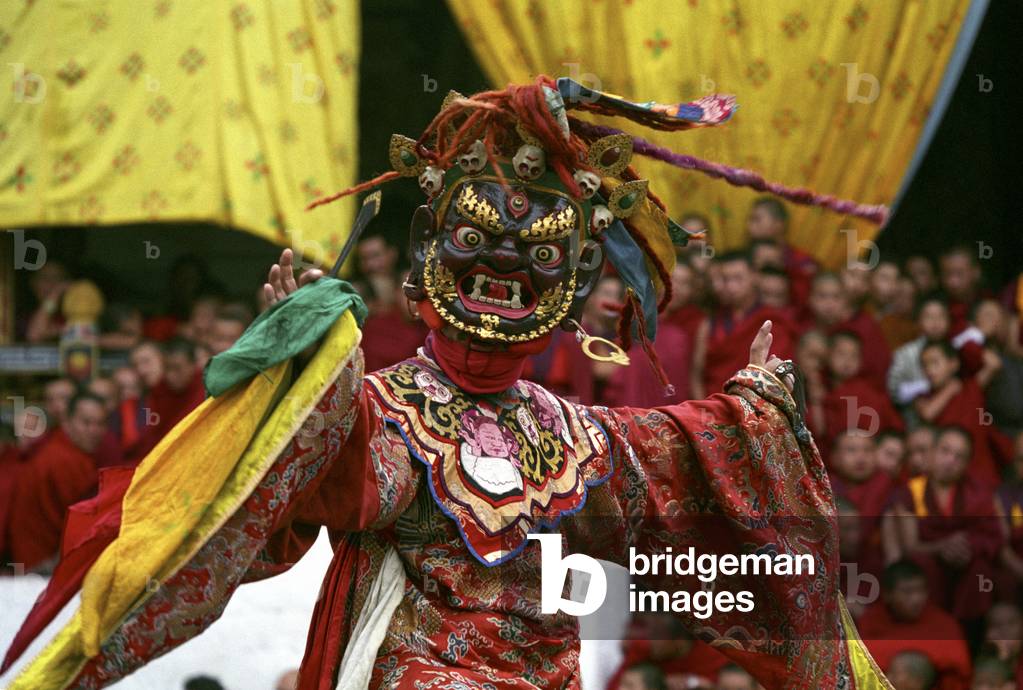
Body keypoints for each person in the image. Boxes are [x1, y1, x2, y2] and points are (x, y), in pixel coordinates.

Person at [6, 78, 890, 689]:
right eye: (478, 238)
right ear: (429, 253)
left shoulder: (579, 436)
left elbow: (691, 475)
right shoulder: (383, 411)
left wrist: (758, 411)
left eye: (539, 254)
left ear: (575, 284)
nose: (505, 260)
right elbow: (329, 476)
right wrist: (296, 366)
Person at [889, 427, 1002, 623]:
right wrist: (941, 547)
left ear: (967, 464)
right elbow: (910, 546)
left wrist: (967, 546)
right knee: (922, 566)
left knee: (980, 569)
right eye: (945, 451)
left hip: (967, 561)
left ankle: (968, 630)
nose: (951, 461)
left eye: (959, 457)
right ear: (931, 453)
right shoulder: (910, 491)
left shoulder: (977, 492)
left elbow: (993, 536)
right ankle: (933, 626)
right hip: (930, 561)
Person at [5, 392, 107, 572]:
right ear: (67, 422)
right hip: (41, 566)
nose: (94, 430)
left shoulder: (61, 450)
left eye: (100, 423)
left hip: (30, 561)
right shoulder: (65, 460)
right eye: (86, 422)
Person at [690, 250, 794, 398]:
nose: (731, 286)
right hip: (714, 407)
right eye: (726, 279)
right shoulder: (709, 324)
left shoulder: (772, 321)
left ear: (755, 277)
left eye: (738, 278)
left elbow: (778, 376)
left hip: (758, 409)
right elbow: (697, 374)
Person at [858, 560, 971, 690]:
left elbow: (960, 668)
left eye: (921, 590)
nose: (917, 599)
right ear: (887, 595)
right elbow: (860, 665)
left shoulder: (944, 623)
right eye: (908, 592)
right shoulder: (871, 621)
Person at [915, 339, 1008, 486]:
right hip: (948, 475)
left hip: (981, 471)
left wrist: (965, 344)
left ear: (953, 364)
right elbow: (928, 413)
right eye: (925, 365)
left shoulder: (971, 387)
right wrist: (949, 390)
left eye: (934, 363)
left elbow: (994, 364)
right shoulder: (923, 398)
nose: (929, 370)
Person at [744, 197, 817, 306]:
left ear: (778, 224)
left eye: (756, 219)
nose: (749, 226)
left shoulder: (802, 262)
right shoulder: (743, 258)